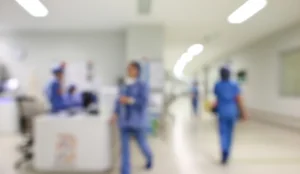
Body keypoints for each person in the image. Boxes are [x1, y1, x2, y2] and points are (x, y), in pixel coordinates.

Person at [111, 61, 153, 174]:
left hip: (137, 121)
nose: (128, 71)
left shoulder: (143, 85)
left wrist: (129, 100)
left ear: (137, 71)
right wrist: (115, 113)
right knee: (125, 150)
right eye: (128, 69)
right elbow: (118, 100)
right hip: (124, 121)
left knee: (142, 145)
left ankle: (149, 158)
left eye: (131, 69)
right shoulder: (124, 85)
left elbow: (144, 102)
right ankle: (125, 171)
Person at [214, 66, 247, 165]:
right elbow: (239, 99)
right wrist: (244, 112)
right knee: (230, 133)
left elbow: (217, 98)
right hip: (232, 112)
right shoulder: (234, 85)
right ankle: (227, 152)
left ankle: (223, 151)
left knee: (223, 133)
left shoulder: (217, 85)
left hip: (222, 112)